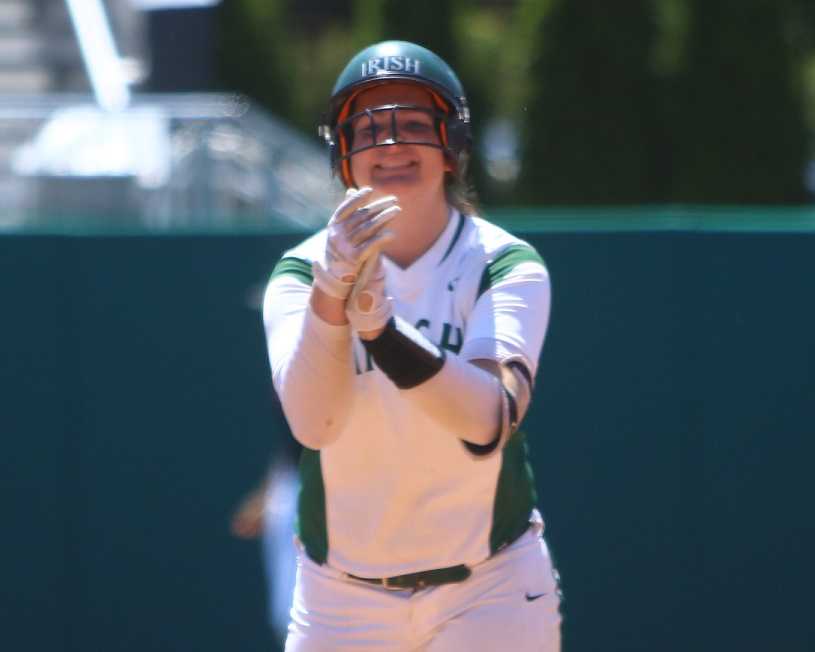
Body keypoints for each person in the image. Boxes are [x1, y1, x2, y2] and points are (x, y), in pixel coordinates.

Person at [262, 40, 562, 651]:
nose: (392, 145)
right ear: (343, 155)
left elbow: (486, 420)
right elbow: (312, 423)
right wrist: (332, 294)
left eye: (415, 125)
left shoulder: (503, 264)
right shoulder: (299, 272)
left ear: (453, 148)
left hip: (490, 585)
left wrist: (379, 328)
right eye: (370, 128)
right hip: (339, 596)